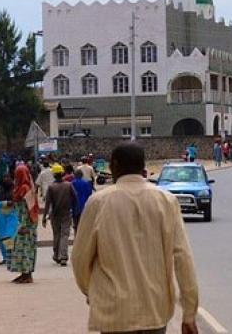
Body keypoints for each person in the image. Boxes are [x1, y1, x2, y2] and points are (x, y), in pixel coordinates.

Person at [72, 142, 200, 334]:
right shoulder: (166, 201)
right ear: (143, 166)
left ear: (114, 165)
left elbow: (80, 258)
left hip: (114, 312)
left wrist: (91, 291)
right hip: (155, 310)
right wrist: (189, 313)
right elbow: (183, 258)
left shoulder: (98, 202)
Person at [8, 164, 39, 284]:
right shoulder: (20, 188)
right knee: (20, 249)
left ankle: (27, 275)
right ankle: (23, 274)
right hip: (20, 223)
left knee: (26, 249)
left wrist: (24, 225)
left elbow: (29, 209)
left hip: (26, 225)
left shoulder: (25, 189)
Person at [44, 165, 77, 266]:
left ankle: (56, 255)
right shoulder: (68, 185)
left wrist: (44, 217)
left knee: (57, 235)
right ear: (62, 174)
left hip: (55, 214)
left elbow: (47, 203)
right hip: (66, 213)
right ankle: (63, 256)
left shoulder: (51, 187)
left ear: (54, 175)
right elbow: (75, 198)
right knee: (64, 235)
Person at [0, 173, 18, 261]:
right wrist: (5, 203)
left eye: (8, 177)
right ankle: (5, 257)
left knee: (10, 235)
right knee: (1, 236)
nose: (6, 179)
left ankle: (11, 255)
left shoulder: (16, 189)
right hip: (1, 216)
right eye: (4, 177)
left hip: (12, 215)